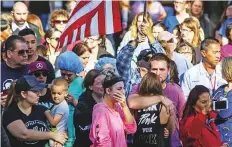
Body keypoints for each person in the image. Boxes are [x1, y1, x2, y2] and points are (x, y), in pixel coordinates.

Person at [128, 53, 185, 147]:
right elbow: (132, 103)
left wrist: (170, 128)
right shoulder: (139, 87)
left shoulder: (175, 90)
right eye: (154, 69)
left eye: (162, 69)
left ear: (168, 71)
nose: (158, 73)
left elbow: (181, 117)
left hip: (172, 142)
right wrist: (160, 98)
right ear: (149, 70)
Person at [3, 75, 67, 147]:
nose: (39, 94)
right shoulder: (10, 112)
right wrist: (52, 135)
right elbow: (24, 134)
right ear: (23, 94)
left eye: (39, 91)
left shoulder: (42, 109)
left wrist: (58, 140)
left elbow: (56, 127)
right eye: (35, 91)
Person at [89, 70, 137, 146]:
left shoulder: (118, 106)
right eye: (119, 89)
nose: (123, 92)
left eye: (123, 88)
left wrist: (124, 106)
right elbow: (103, 142)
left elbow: (131, 128)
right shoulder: (100, 111)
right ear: (108, 91)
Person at [132, 72, 175, 147]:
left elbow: (131, 129)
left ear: (143, 85)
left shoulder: (136, 106)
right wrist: (172, 115)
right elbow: (170, 131)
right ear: (158, 86)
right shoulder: (165, 105)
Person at [57, 51, 85, 147]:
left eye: (69, 75)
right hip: (58, 123)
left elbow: (86, 108)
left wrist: (74, 101)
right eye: (63, 73)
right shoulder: (56, 81)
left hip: (74, 124)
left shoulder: (81, 83)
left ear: (75, 72)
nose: (66, 77)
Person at [73, 69, 104, 147]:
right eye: (100, 83)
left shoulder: (109, 101)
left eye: (105, 82)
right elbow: (83, 134)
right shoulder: (82, 107)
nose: (104, 86)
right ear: (90, 86)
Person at [1, 35, 29, 107]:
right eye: (21, 52)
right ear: (9, 53)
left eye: (27, 51)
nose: (25, 55)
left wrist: (12, 100)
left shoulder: (32, 71)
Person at [212, 57, 232, 146]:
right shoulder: (221, 89)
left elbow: (225, 113)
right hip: (217, 132)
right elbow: (209, 106)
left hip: (229, 136)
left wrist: (215, 106)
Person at [45, 78, 69, 147]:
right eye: (53, 93)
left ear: (65, 94)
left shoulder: (62, 106)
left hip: (57, 138)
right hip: (54, 135)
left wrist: (46, 112)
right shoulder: (58, 104)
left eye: (59, 93)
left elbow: (54, 123)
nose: (56, 96)